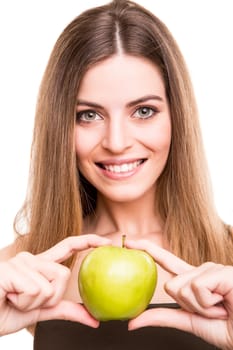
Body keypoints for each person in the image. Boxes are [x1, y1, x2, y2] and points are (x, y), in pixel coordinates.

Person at [0, 0, 232, 348]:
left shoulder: (228, 263)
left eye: (143, 110)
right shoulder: (25, 267)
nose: (117, 142)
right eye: (89, 115)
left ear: (176, 118)